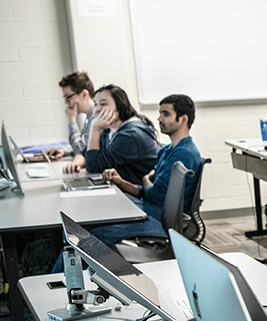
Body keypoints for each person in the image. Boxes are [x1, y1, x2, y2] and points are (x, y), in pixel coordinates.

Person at [52, 93, 203, 271]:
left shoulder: (183, 154)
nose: (159, 118)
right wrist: (121, 182)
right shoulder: (169, 149)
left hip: (159, 221)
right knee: (86, 225)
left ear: (183, 119)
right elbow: (147, 191)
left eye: (166, 114)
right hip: (148, 209)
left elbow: (154, 195)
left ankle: (58, 280)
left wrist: (147, 182)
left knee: (89, 237)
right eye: (160, 113)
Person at [82, 84, 159, 185]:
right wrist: (77, 161)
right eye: (95, 104)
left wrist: (95, 128)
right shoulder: (109, 130)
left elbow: (93, 167)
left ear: (119, 106)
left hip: (139, 194)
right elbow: (87, 155)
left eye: (103, 104)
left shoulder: (131, 136)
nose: (97, 109)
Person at [48, 71, 97, 172]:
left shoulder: (96, 119)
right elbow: (84, 145)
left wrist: (72, 120)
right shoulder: (89, 117)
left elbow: (80, 150)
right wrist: (64, 151)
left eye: (68, 97)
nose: (66, 102)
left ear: (84, 94)